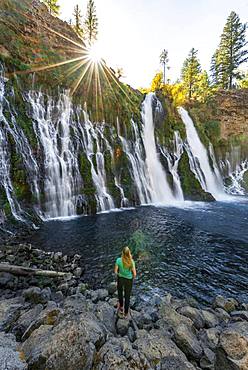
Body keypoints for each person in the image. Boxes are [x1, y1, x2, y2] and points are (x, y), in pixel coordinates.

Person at [114, 246, 136, 318]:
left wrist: (119, 274)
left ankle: (121, 308)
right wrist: (132, 278)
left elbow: (115, 271)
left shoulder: (118, 260)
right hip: (129, 280)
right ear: (129, 253)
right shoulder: (131, 262)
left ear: (122, 253)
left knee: (120, 293)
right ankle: (126, 313)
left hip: (120, 278)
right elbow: (134, 274)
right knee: (127, 296)